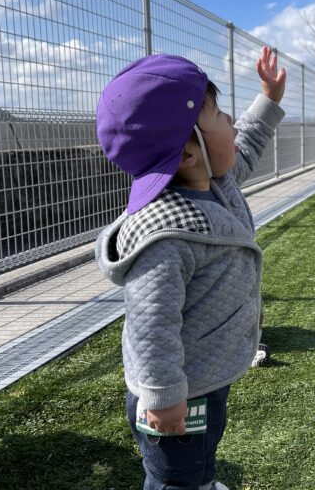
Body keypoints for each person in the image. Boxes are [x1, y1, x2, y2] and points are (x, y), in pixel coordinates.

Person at [95, 46, 286, 490]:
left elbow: (247, 146)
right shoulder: (166, 234)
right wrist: (163, 398)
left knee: (200, 454)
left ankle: (201, 480)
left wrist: (269, 99)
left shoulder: (215, 182)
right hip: (174, 392)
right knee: (171, 479)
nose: (232, 122)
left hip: (205, 375)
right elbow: (150, 325)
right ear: (187, 153)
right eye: (219, 115)